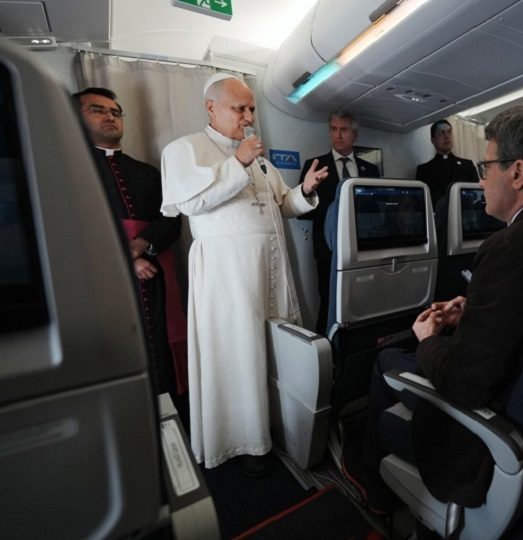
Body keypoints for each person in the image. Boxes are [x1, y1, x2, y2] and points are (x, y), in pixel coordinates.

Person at [357, 104, 523, 513]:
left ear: (518, 172)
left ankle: (375, 490)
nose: (480, 179)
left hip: (484, 440)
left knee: (387, 357)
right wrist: (473, 309)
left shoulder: (509, 248)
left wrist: (428, 339)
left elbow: (465, 382)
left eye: (486, 166)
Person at [160, 73, 329, 475]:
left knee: (273, 350)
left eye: (252, 108)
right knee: (237, 354)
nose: (249, 117)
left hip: (271, 270)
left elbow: (283, 205)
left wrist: (305, 190)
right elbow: (189, 203)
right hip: (227, 278)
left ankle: (274, 427)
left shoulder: (261, 160)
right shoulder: (185, 149)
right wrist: (237, 162)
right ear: (211, 107)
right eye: (240, 108)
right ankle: (243, 441)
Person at [73, 87, 186, 398]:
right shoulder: (67, 168)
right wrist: (126, 259)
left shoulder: (147, 173)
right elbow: (72, 226)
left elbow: (172, 220)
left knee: (161, 350)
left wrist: (138, 247)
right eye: (98, 110)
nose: (110, 116)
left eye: (115, 112)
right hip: (98, 282)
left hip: (154, 277)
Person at [298, 110, 380, 334]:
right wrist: (334, 210)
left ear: (355, 134)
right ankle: (326, 348)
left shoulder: (370, 170)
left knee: (362, 301)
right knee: (328, 301)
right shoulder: (315, 167)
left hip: (362, 248)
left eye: (343, 129)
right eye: (333, 129)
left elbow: (376, 210)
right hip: (328, 249)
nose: (337, 135)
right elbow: (301, 210)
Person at [415, 119, 479, 203]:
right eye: (441, 133)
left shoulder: (467, 166)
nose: (447, 136)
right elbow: (421, 201)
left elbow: (476, 194)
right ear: (433, 140)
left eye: (449, 132)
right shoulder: (424, 170)